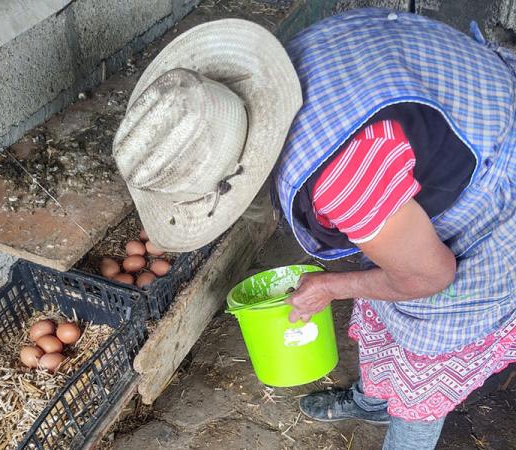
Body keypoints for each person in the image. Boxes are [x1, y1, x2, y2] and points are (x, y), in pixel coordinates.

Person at [111, 9, 516, 450]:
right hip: (471, 116)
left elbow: (430, 277)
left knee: (423, 363)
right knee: (381, 301)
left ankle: (405, 432)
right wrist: (345, 279)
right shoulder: (287, 65)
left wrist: (330, 287)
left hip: (493, 199)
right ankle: (376, 401)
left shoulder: (342, 177)